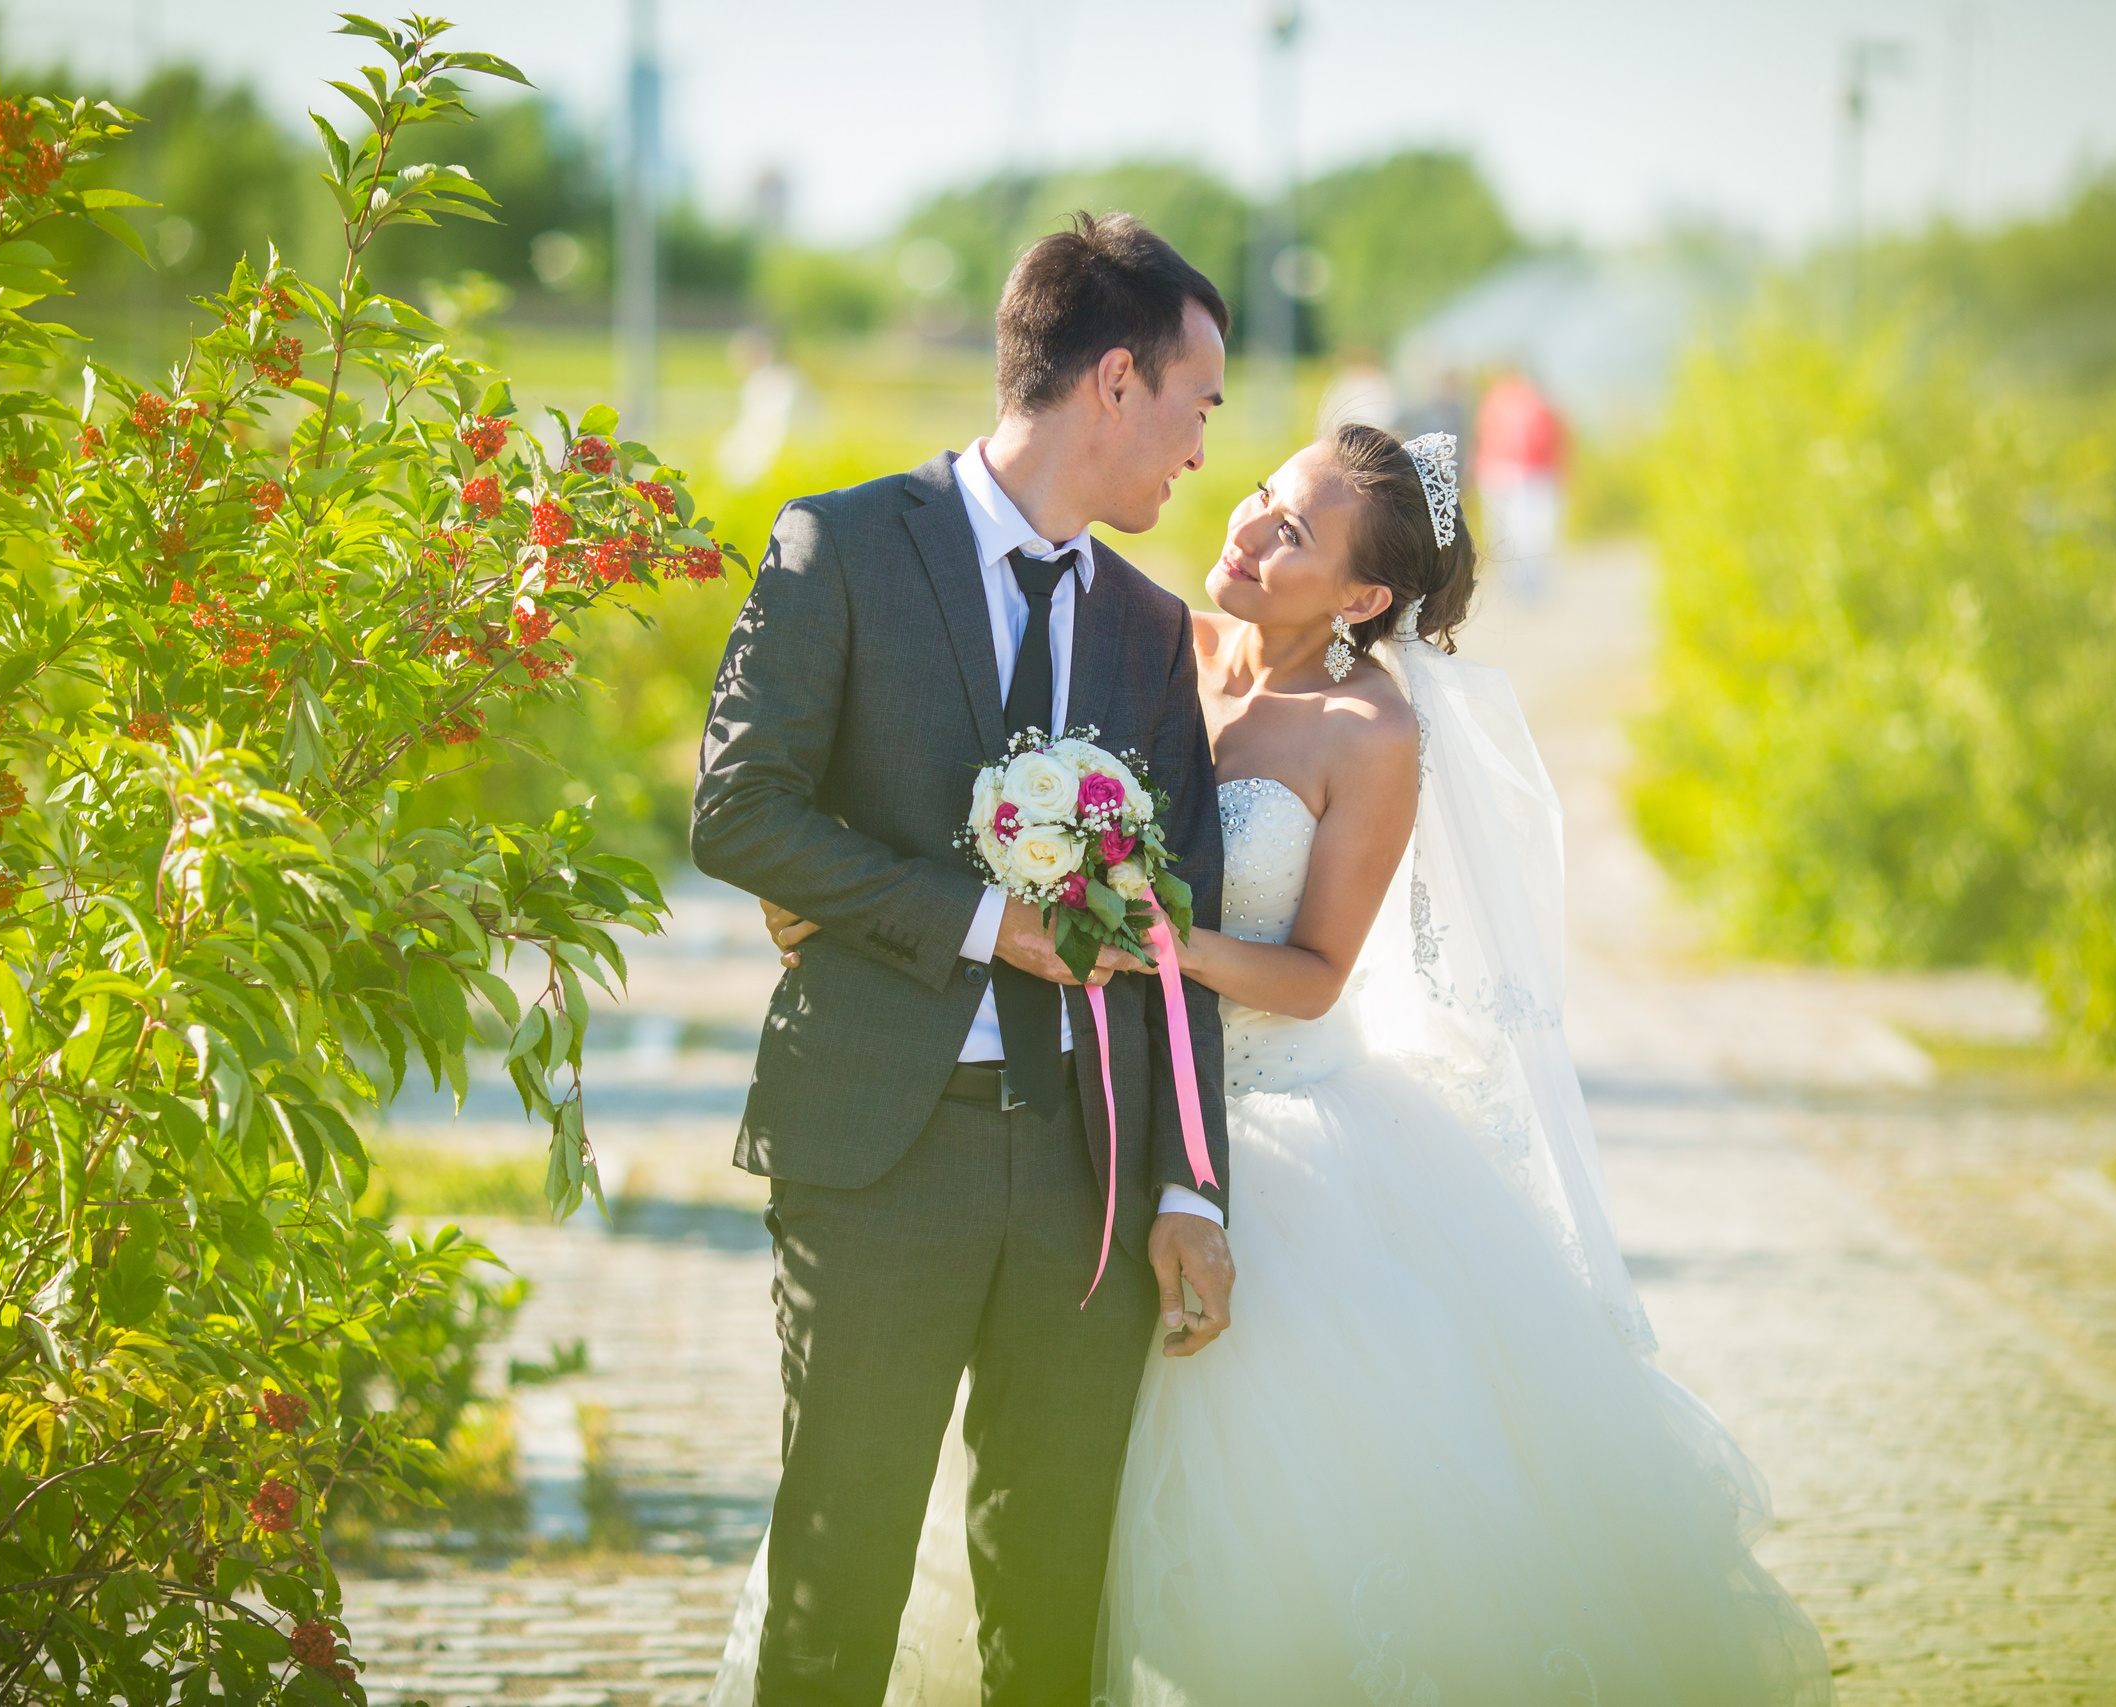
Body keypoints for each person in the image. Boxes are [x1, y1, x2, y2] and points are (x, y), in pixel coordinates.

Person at [743, 424, 1838, 1705]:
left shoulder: (1368, 737)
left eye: (1293, 533)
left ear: (1365, 599)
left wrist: (1161, 941)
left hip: (1269, 1133)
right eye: (1262, 495)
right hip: (1085, 1116)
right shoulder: (1144, 640)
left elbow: (1316, 973)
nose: (1248, 528)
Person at [690, 212, 1237, 1707]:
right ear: (1113, 383)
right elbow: (735, 811)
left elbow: (1179, 933)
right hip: (879, 1151)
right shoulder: (845, 543)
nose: (1201, 447)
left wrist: (1192, 1185)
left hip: (1090, 1182)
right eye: (1198, 403)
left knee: (1053, 1606)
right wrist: (991, 920)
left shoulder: (1151, 626)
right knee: (837, 1582)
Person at [1474, 369, 1567, 604]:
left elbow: (1554, 440)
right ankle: (1516, 585)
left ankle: (1531, 585)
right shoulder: (1496, 402)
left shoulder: (1538, 404)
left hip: (1532, 475)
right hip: (1504, 475)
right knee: (1508, 533)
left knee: (1529, 533)